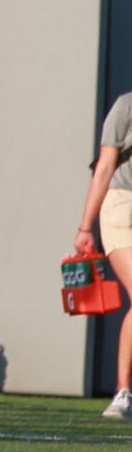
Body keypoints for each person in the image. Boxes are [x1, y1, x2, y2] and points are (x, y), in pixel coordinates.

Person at [78, 90, 132, 416]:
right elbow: (105, 166)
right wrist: (85, 227)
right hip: (123, 203)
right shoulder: (126, 105)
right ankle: (123, 392)